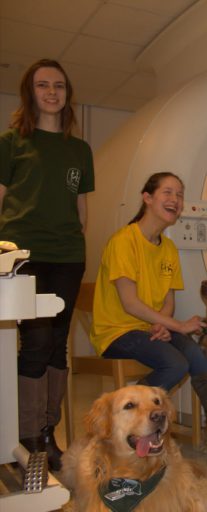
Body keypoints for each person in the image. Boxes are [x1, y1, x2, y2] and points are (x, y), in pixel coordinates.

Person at [90, 172, 207, 470]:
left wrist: (163, 322)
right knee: (175, 363)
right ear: (147, 198)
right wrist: (177, 326)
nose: (175, 200)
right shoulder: (123, 242)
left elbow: (168, 301)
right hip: (117, 332)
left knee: (195, 354)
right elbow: (129, 303)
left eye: (179, 195)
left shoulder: (167, 248)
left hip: (148, 328)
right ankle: (124, 422)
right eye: (168, 192)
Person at [0, 59, 94, 470]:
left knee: (57, 343)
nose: (51, 92)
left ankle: (46, 432)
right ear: (30, 92)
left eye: (59, 85)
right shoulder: (11, 142)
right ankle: (26, 434)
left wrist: (77, 243)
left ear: (67, 94)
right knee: (35, 344)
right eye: (42, 85)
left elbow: (82, 206)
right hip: (24, 254)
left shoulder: (80, 150)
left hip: (68, 256)